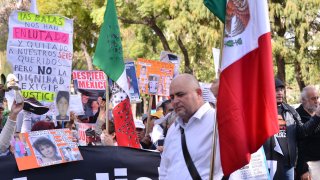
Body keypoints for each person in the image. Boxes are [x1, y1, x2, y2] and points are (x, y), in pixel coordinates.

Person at [159, 74, 223, 179]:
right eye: (172, 97)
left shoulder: (218, 121)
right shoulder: (173, 129)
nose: (175, 101)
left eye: (180, 94)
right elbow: (164, 170)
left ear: (198, 93)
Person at [263, 79, 320, 180]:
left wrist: (317, 116)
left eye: (281, 89)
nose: (280, 92)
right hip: (268, 165)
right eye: (276, 90)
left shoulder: (291, 111)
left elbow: (302, 133)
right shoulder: (262, 111)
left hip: (288, 166)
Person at [296, 86, 320, 179]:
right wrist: (302, 169)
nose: (316, 101)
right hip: (310, 164)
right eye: (313, 98)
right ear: (303, 100)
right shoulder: (297, 115)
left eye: (317, 97)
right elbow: (299, 143)